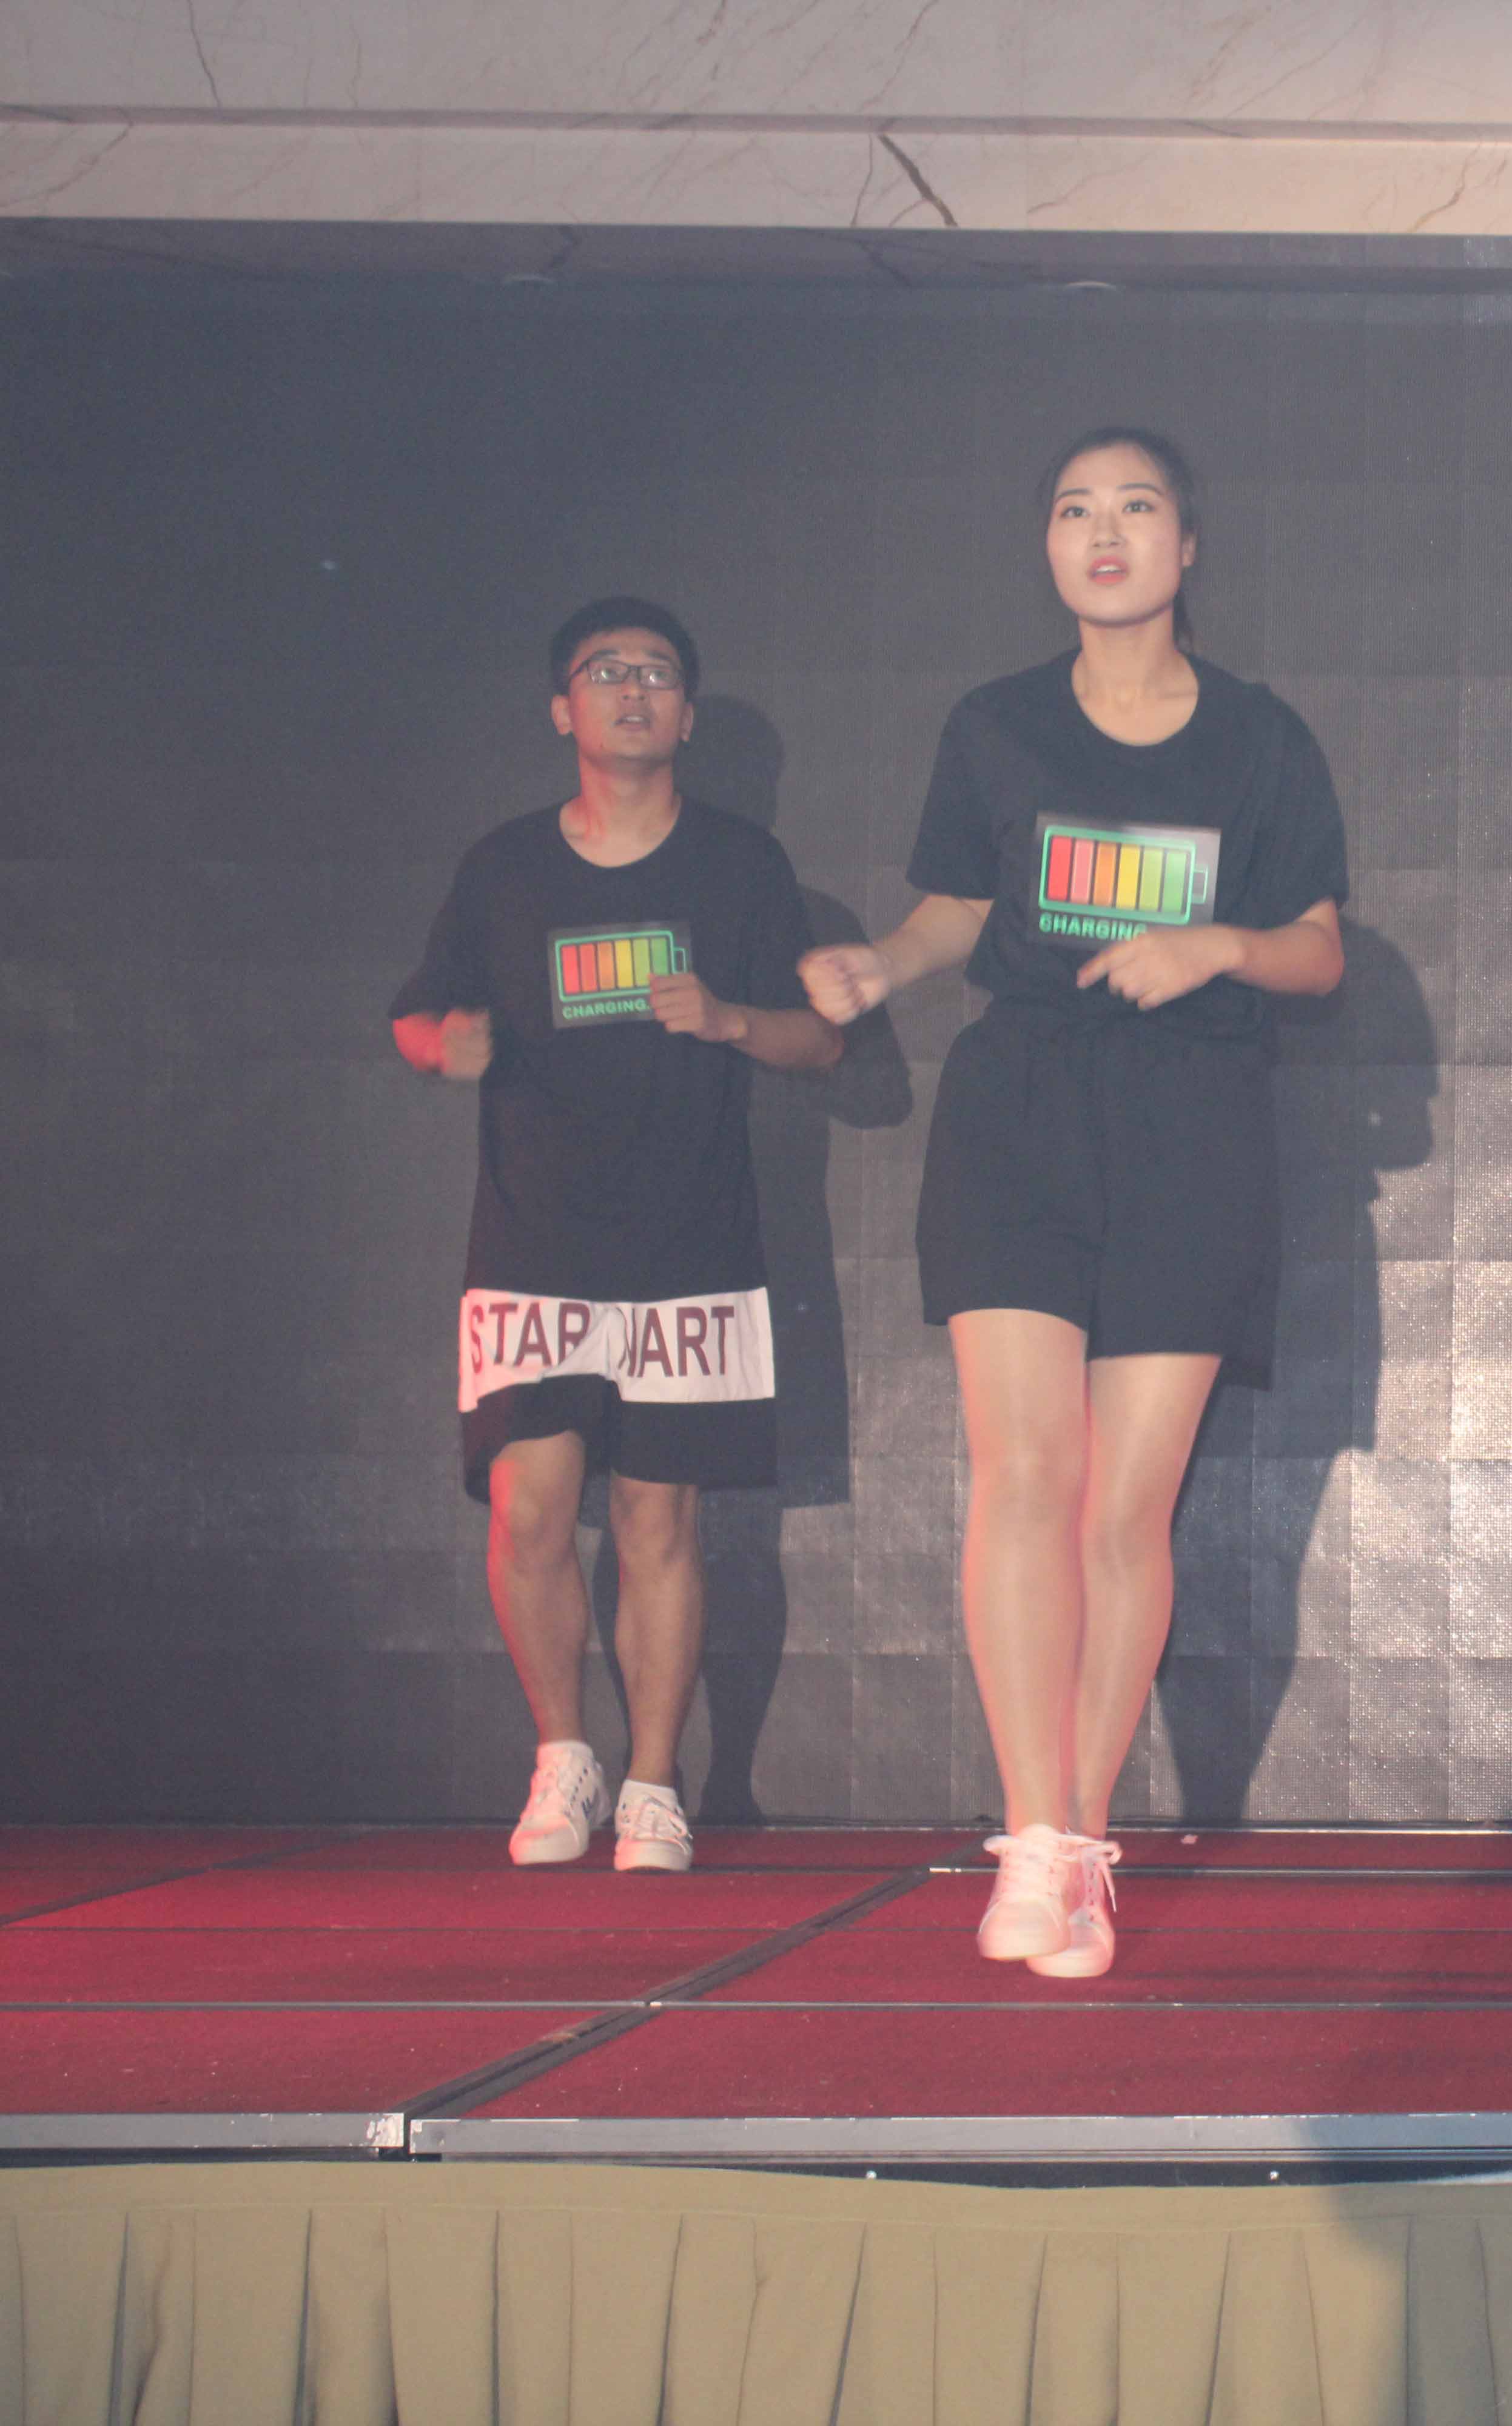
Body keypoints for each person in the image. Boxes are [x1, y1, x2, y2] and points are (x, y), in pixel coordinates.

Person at [799, 429, 1348, 1976]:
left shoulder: (1260, 738)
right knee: (1026, 1472)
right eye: (1074, 510)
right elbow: (958, 907)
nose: (1104, 533)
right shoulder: (998, 725)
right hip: (1021, 1111)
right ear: (1050, 546)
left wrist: (1215, 946)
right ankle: (1032, 1835)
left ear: (1188, 544)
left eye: (1137, 507)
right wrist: (881, 965)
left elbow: (1319, 949)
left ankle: (1084, 1836)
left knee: (1124, 1503)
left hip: (1193, 1121)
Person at [391, 598, 842, 1872]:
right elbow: (419, 1016)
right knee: (529, 1509)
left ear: (687, 715)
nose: (633, 690)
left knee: (659, 1520)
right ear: (563, 708)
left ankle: (652, 1782)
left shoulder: (743, 866)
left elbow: (823, 1040)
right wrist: (440, 1047)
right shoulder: (503, 867)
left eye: (656, 674)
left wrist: (733, 1020)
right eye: (606, 672)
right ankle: (563, 1758)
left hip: (689, 1241)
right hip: (534, 1238)